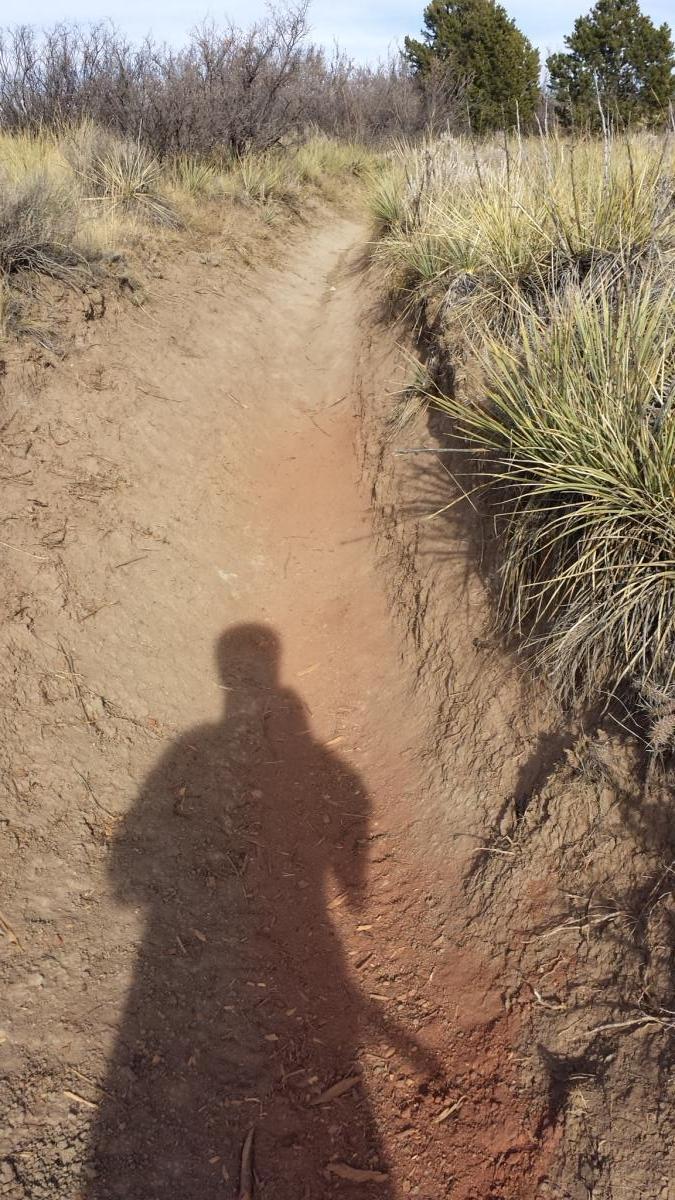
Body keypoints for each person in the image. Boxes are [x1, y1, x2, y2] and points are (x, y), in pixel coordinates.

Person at [88, 623, 397, 1198]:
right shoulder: (329, 769)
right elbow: (354, 881)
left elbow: (123, 877)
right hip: (313, 938)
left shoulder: (192, 748)